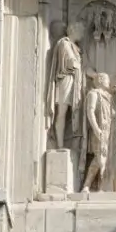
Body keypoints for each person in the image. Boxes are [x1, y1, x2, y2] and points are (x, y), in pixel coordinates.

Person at [46, 21, 85, 150]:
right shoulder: (65, 43)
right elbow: (70, 63)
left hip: (72, 81)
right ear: (74, 30)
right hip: (65, 80)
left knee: (68, 113)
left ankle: (64, 142)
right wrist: (79, 65)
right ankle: (59, 144)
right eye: (81, 30)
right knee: (62, 112)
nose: (83, 33)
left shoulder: (74, 47)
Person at [81, 73, 114, 192]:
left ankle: (91, 185)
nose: (109, 82)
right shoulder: (93, 93)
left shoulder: (109, 96)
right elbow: (90, 112)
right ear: (100, 80)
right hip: (100, 129)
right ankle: (93, 186)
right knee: (100, 157)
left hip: (109, 130)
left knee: (103, 158)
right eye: (107, 79)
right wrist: (96, 129)